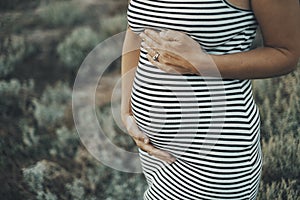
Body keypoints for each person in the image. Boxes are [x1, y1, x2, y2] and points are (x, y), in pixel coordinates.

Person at [121, 0, 299, 199]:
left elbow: (286, 53)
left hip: (213, 154)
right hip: (154, 151)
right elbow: (136, 30)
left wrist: (202, 64)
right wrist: (126, 109)